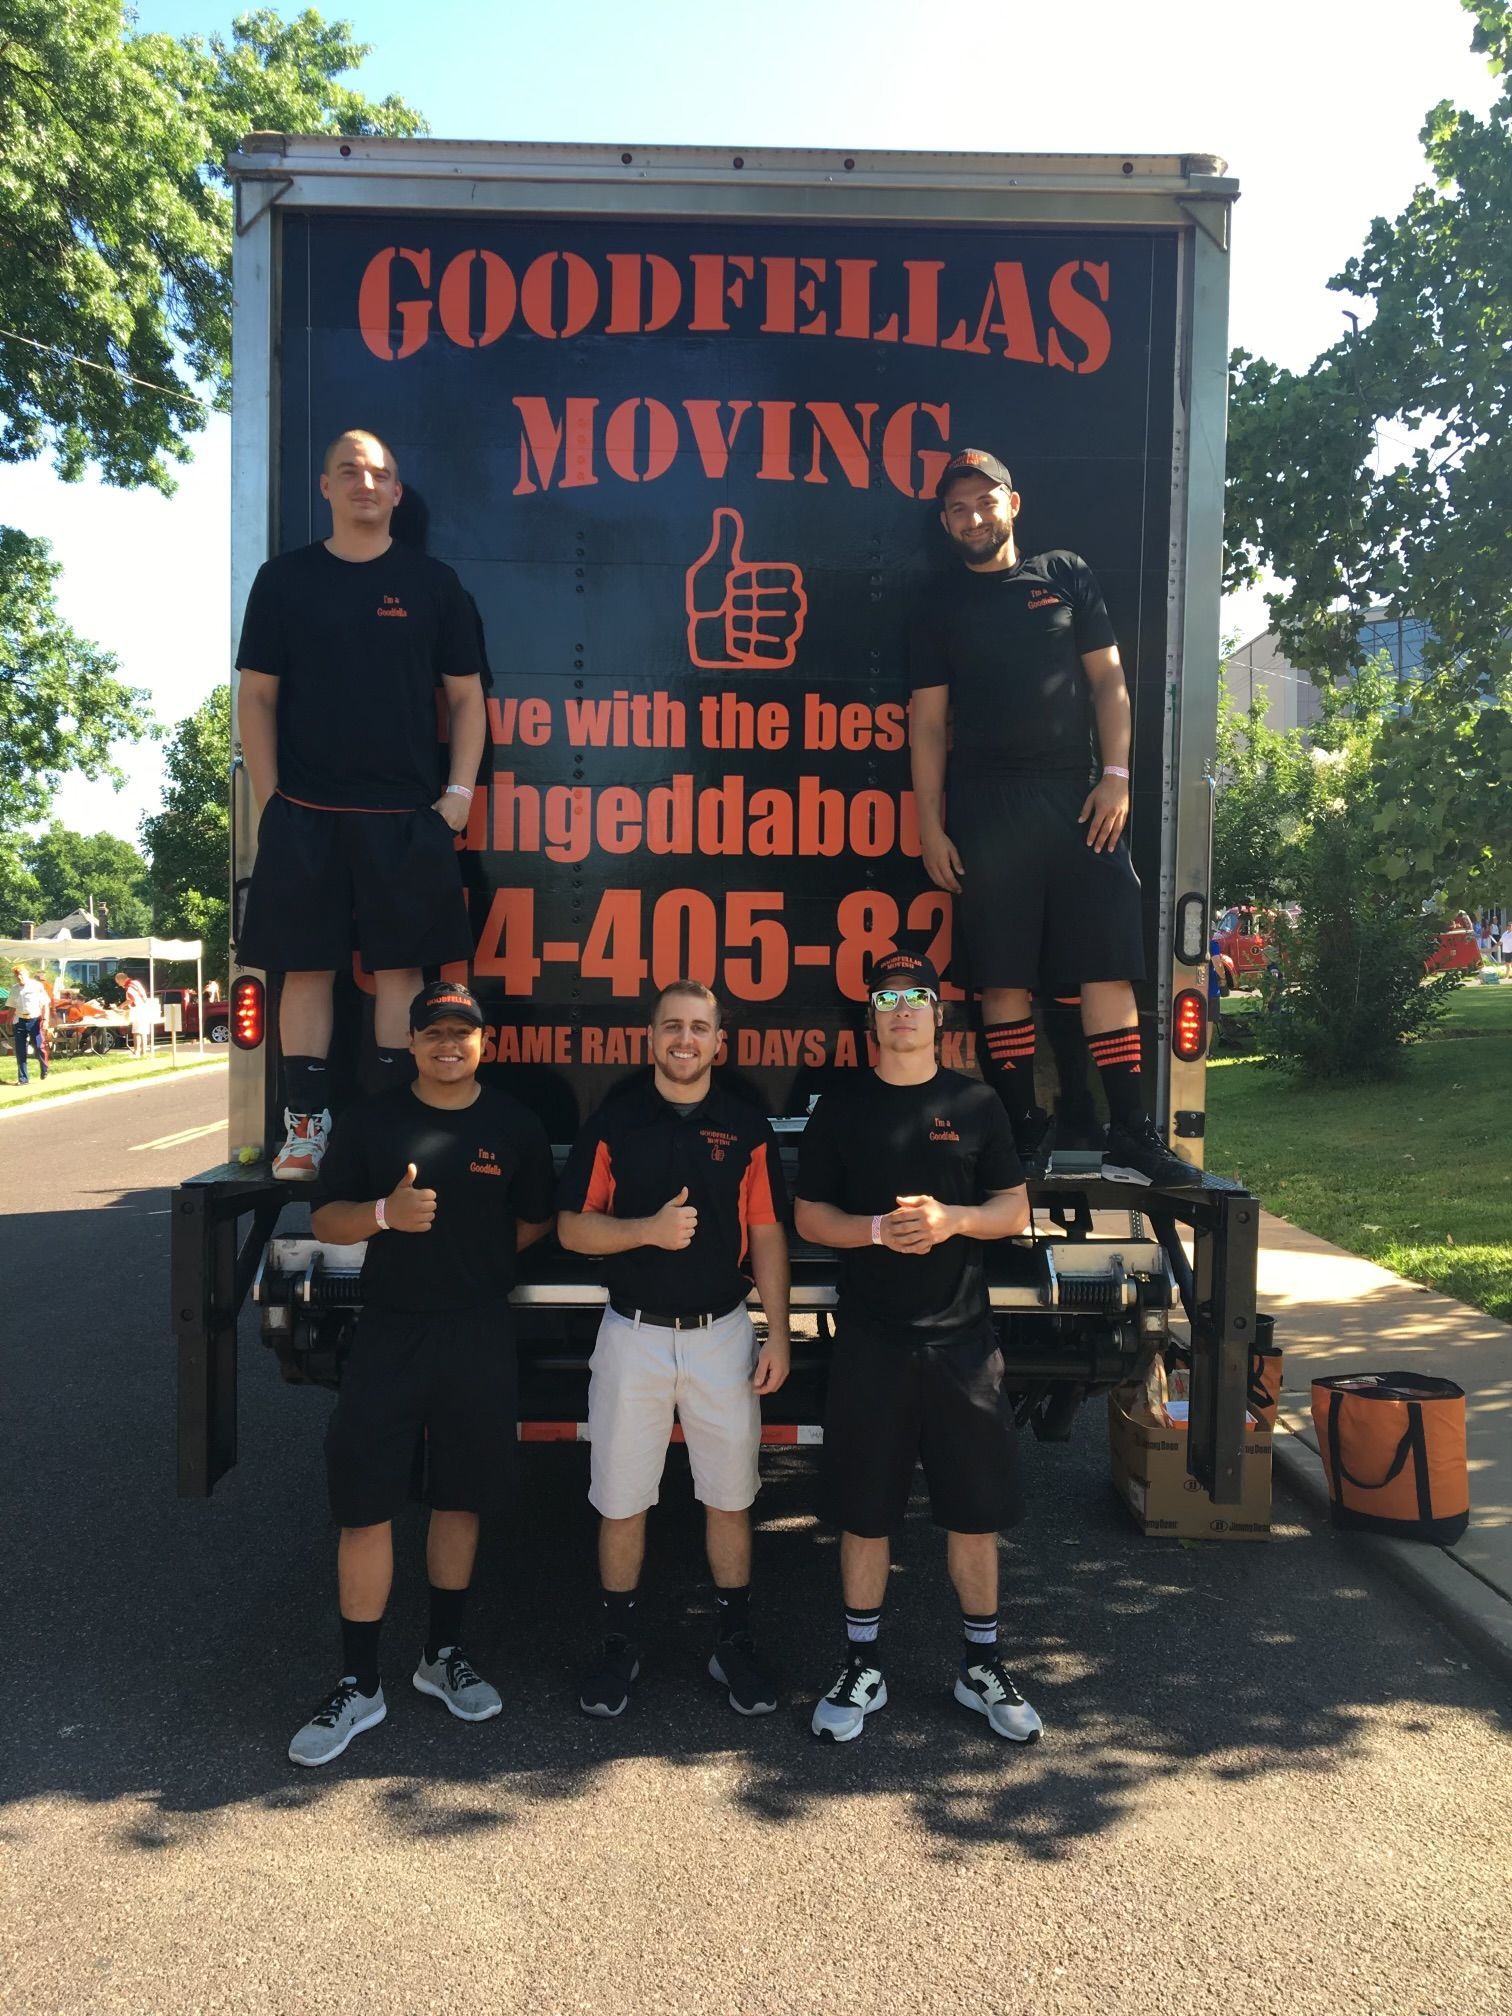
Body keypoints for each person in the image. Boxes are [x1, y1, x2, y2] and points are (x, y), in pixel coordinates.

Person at [910, 448, 1195, 1188]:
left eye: (984, 500)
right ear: (945, 522)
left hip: (1079, 801)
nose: (972, 516)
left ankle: (1130, 1131)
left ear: (1013, 502)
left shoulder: (1063, 573)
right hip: (986, 808)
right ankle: (1018, 1131)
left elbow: (1110, 684)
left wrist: (1117, 777)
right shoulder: (939, 605)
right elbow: (930, 726)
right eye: (957, 508)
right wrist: (931, 826)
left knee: (1106, 970)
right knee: (1001, 982)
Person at [288, 980, 555, 1767]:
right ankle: (358, 1682)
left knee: (460, 1497)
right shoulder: (373, 1119)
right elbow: (324, 1218)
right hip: (391, 1333)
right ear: (411, 1042)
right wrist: (382, 1216)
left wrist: (484, 1255)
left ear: (485, 1043)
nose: (448, 1044)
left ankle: (442, 1655)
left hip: (477, 1331)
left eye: (462, 1032)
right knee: (365, 1504)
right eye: (433, 1031)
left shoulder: (515, 1124)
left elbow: (537, 1214)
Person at [794, 949, 1040, 1746]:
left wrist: (952, 1220)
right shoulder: (840, 1106)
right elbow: (809, 1219)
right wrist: (874, 1231)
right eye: (887, 996)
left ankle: (984, 1665)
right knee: (865, 1513)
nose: (902, 1008)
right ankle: (861, 1662)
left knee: (974, 1512)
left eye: (917, 996)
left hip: (962, 1343)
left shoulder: (977, 1103)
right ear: (872, 1019)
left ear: (939, 1015)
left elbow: (1012, 1209)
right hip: (870, 1343)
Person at [236, 428, 487, 1182]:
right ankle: (305, 1129)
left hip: (405, 817)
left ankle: (386, 1128)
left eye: (377, 472)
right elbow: (256, 696)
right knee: (305, 972)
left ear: (396, 492)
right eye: (348, 471)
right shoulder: (283, 581)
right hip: (304, 812)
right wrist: (269, 801)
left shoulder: (433, 585)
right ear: (326, 488)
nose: (363, 483)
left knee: (401, 976)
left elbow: (468, 701)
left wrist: (457, 795)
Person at [557, 980, 792, 1720]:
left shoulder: (748, 1127)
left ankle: (733, 1641)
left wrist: (777, 1332)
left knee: (730, 1497)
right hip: (632, 1337)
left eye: (699, 1028)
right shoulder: (616, 1122)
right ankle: (619, 1644)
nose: (684, 1040)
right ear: (649, 1038)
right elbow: (572, 1228)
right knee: (623, 1500)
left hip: (722, 1336)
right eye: (671, 1027)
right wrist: (644, 1232)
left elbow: (769, 1235)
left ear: (721, 1042)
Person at [11, 965, 50, 1085]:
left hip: (35, 1020)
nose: (19, 977)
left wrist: (46, 1020)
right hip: (19, 1021)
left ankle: (44, 1067)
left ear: (26, 974)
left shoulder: (37, 986)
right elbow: (11, 1006)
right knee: (20, 1050)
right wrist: (9, 1020)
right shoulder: (14, 988)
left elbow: (45, 1004)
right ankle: (23, 1079)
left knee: (39, 1047)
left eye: (21, 974)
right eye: (17, 975)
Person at [114, 971, 149, 1058]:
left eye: (118, 982)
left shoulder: (129, 987)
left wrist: (120, 1006)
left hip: (138, 1010)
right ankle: (143, 1052)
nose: (119, 985)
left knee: (136, 1032)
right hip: (145, 1008)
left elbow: (131, 999)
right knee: (143, 1032)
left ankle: (136, 1052)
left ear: (121, 979)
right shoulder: (136, 983)